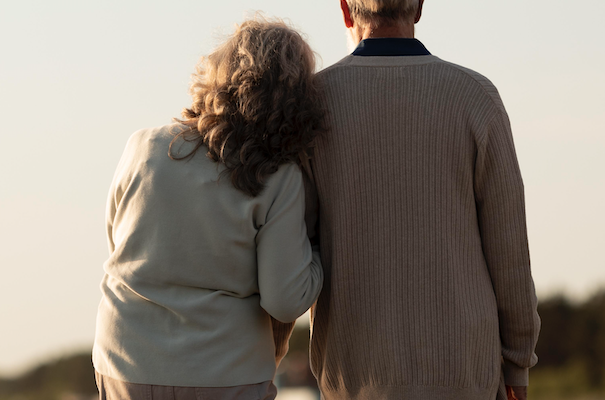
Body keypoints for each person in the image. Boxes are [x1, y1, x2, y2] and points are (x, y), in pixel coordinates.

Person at [304, 1, 541, 399]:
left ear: (346, 10)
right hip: (466, 377)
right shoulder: (475, 96)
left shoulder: (312, 104)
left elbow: (295, 249)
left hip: (355, 379)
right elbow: (510, 252)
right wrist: (517, 363)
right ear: (419, 7)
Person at [92, 17, 325, 400]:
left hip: (124, 363)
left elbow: (117, 242)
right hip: (225, 374)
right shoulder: (279, 178)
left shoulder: (143, 147)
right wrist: (317, 252)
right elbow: (285, 300)